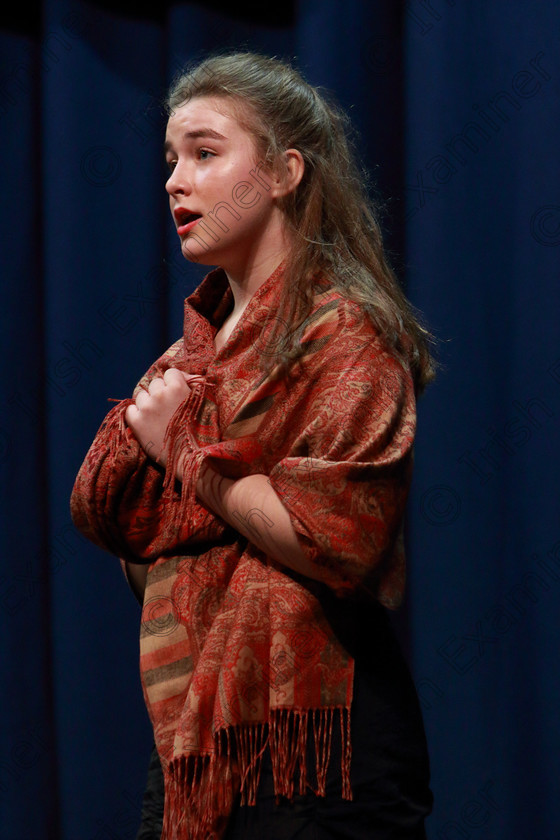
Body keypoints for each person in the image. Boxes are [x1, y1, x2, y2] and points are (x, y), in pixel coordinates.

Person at [70, 51, 437, 840]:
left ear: (283, 172)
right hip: (201, 742)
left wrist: (187, 458)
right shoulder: (186, 364)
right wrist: (188, 492)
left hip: (318, 746)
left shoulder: (345, 336)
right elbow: (150, 555)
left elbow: (331, 537)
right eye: (171, 160)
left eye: (205, 153)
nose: (175, 180)